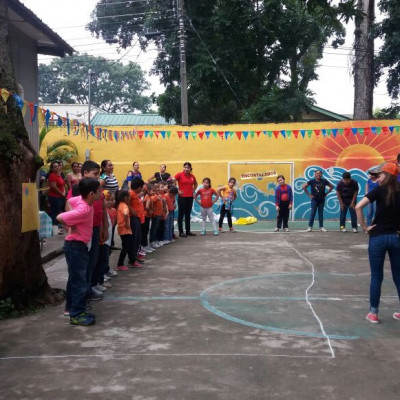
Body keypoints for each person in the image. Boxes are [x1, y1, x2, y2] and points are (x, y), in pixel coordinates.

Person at [355, 161, 400, 324]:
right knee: (398, 275)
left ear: (386, 175)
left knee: (376, 276)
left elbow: (358, 207)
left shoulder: (378, 191)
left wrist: (365, 227)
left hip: (378, 237)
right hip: (396, 237)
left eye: (379, 175)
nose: (377, 179)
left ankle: (373, 313)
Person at [56, 177, 101, 326]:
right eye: (98, 191)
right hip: (75, 247)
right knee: (79, 282)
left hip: (77, 247)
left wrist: (73, 222)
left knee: (76, 279)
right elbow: (59, 217)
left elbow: (70, 201)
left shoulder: (81, 201)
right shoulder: (84, 209)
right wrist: (72, 222)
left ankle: (73, 309)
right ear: (91, 194)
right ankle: (76, 314)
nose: (101, 193)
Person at [174, 162, 198, 237]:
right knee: (181, 214)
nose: (186, 169)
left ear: (190, 168)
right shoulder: (179, 174)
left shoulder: (192, 176)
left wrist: (193, 191)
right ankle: (181, 232)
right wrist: (177, 190)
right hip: (182, 197)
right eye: (185, 167)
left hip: (190, 197)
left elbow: (196, 184)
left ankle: (188, 231)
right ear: (183, 168)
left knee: (188, 214)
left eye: (188, 167)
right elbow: (172, 181)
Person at [116, 190, 136, 271]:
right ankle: (120, 264)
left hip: (122, 229)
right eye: (129, 197)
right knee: (126, 247)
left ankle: (132, 260)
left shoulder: (120, 205)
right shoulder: (125, 206)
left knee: (127, 246)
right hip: (125, 229)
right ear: (125, 198)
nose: (130, 199)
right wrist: (127, 223)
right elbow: (125, 214)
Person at [47, 161, 66, 235]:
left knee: (58, 211)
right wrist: (62, 193)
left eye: (57, 166)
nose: (57, 167)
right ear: (51, 168)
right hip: (54, 197)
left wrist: (64, 192)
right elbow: (54, 187)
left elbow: (62, 184)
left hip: (60, 196)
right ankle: (54, 228)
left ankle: (57, 227)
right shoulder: (52, 175)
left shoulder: (59, 174)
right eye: (55, 167)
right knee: (54, 212)